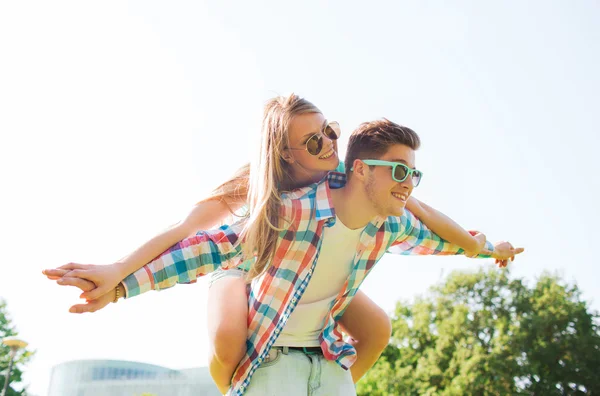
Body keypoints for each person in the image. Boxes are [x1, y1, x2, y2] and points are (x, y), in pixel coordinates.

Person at [45, 97, 519, 395]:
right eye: (314, 142)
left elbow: (427, 222)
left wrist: (484, 246)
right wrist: (120, 277)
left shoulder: (366, 197)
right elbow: (190, 239)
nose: (329, 144)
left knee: (375, 327)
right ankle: (238, 385)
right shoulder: (267, 196)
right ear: (285, 155)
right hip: (245, 266)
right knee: (231, 337)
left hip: (314, 277)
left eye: (330, 131)